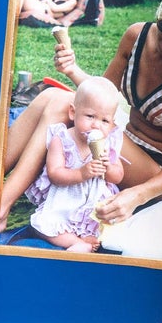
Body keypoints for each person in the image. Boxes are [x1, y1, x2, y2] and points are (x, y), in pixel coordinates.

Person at [0, 0, 162, 234]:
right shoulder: (137, 36)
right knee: (52, 96)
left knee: (61, 104)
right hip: (121, 137)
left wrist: (136, 196)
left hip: (156, 173)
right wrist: (72, 70)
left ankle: (0, 205)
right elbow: (103, 96)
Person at [23, 76, 127, 252]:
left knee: (109, 226)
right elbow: (55, 174)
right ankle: (74, 242)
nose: (96, 125)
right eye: (90, 116)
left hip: (94, 202)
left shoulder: (108, 143)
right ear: (73, 112)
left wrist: (109, 167)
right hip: (66, 199)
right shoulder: (62, 139)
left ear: (112, 123)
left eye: (105, 121)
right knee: (43, 226)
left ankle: (88, 238)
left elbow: (118, 176)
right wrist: (81, 173)